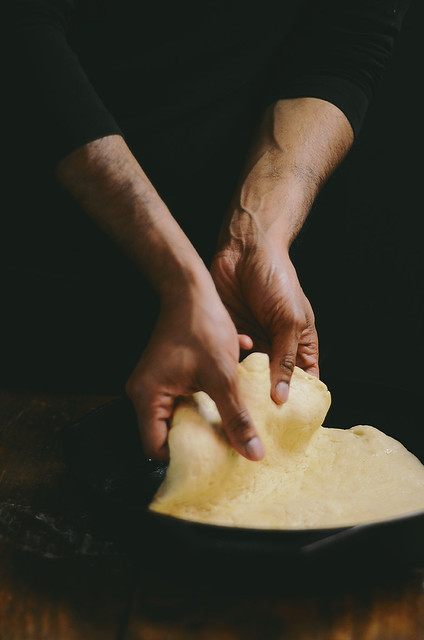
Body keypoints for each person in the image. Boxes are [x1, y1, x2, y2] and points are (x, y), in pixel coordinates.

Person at [3, 0, 412, 461]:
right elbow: (19, 31)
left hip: (225, 259)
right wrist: (182, 276)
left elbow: (344, 46)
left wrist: (258, 235)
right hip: (48, 254)